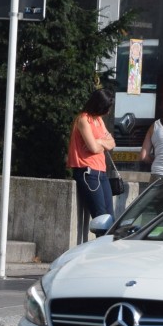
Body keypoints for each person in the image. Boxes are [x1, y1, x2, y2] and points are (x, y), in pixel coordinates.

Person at [69, 88, 117, 227]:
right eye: (106, 108)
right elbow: (94, 148)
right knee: (101, 216)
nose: (107, 112)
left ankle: (107, 246)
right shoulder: (84, 119)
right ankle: (101, 247)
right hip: (87, 172)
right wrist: (102, 142)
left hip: (101, 171)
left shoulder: (99, 120)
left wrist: (100, 142)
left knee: (110, 216)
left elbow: (112, 142)